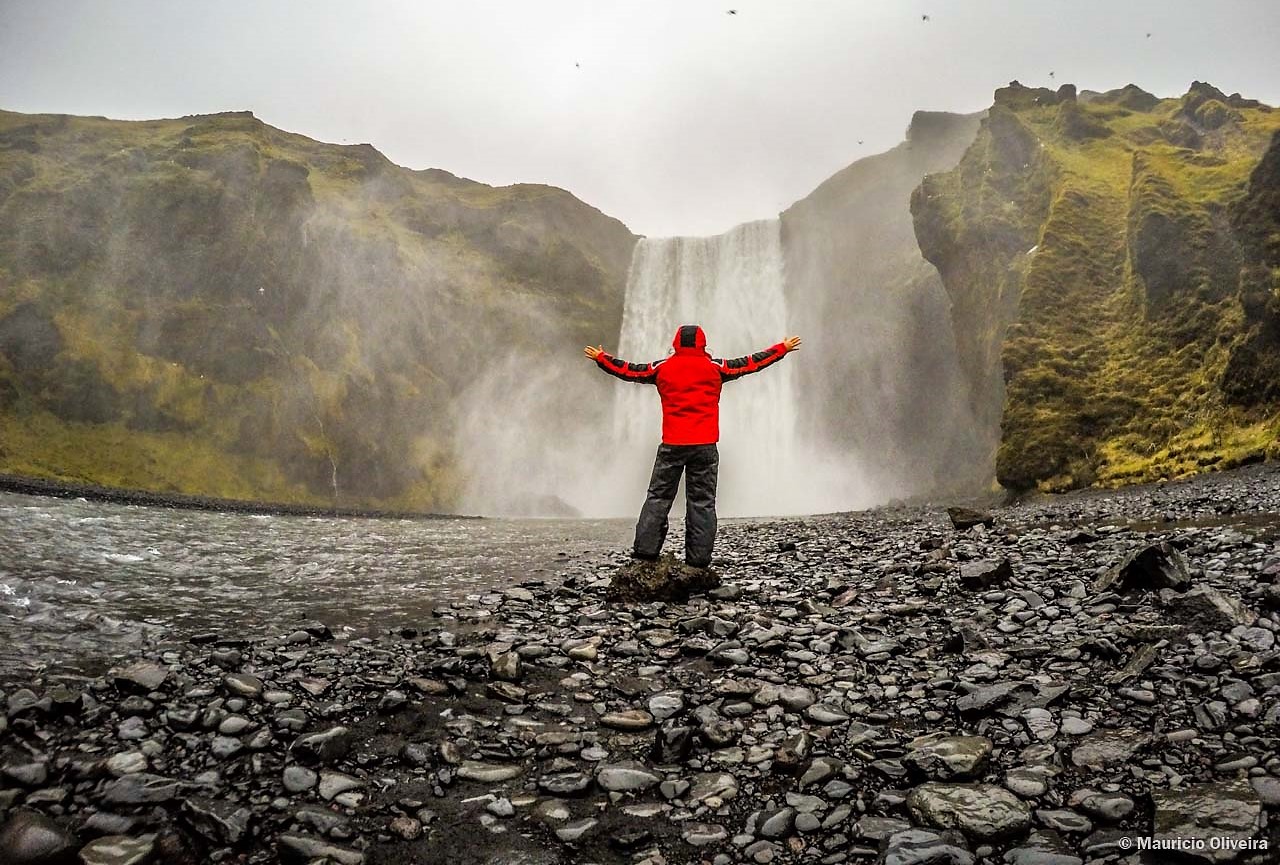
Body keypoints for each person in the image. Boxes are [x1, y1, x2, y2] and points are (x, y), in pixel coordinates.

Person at [585, 325, 802, 569]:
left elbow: (629, 370)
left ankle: (646, 552)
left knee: (658, 497)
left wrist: (601, 359)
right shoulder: (716, 368)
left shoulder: (662, 368)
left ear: (676, 344)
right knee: (702, 502)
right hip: (705, 446)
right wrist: (781, 349)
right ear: (703, 344)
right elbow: (751, 362)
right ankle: (698, 560)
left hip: (672, 445)